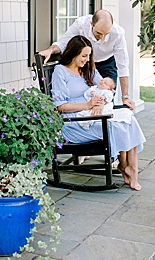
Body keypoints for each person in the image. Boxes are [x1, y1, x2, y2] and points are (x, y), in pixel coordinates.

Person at [51, 35, 146, 191]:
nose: (87, 60)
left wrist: (101, 102)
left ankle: (130, 168)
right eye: (83, 56)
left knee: (129, 120)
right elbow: (59, 106)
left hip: (93, 116)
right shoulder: (60, 72)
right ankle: (124, 167)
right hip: (73, 123)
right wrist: (87, 105)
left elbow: (107, 90)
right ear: (73, 53)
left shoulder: (89, 70)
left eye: (88, 56)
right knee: (116, 127)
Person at [39, 9, 135, 110]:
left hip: (106, 62)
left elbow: (123, 66)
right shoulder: (81, 24)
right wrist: (50, 50)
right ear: (91, 24)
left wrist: (125, 97)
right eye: (99, 33)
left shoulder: (117, 33)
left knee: (107, 98)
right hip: (85, 64)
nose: (101, 37)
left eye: (105, 34)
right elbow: (63, 43)